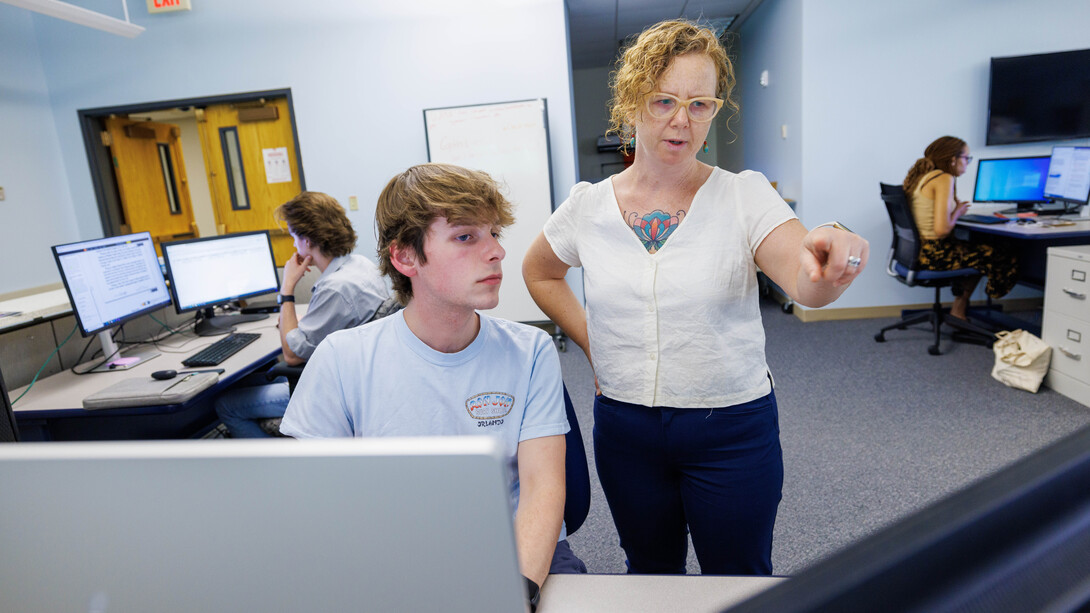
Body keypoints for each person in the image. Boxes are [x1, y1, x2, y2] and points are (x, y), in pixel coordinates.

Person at [522, 19, 869, 576]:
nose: (681, 120)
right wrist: (593, 344)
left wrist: (830, 262)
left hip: (729, 428)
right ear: (632, 102)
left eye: (700, 104)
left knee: (737, 577)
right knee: (650, 574)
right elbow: (539, 272)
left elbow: (805, 280)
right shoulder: (587, 207)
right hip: (626, 429)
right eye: (663, 101)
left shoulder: (743, 195)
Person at [279, 163, 585, 607]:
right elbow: (315, 508)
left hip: (522, 557)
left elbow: (543, 486)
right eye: (466, 237)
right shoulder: (342, 359)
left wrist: (514, 593)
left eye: (494, 233)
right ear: (405, 258)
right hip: (397, 564)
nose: (496, 251)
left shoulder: (530, 350)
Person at [214, 191, 393, 438]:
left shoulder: (335, 288)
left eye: (293, 236)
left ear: (307, 240)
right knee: (253, 382)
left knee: (226, 405)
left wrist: (287, 288)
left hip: (330, 392)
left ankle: (273, 475)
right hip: (356, 379)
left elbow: (292, 355)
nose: (294, 245)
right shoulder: (359, 264)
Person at [903, 136, 1018, 319]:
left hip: (918, 253)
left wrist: (955, 209)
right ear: (953, 159)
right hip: (936, 254)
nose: (967, 163)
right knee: (1000, 253)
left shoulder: (923, 177)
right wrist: (957, 212)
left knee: (978, 251)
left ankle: (959, 308)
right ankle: (974, 304)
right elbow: (941, 230)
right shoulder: (943, 178)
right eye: (966, 158)